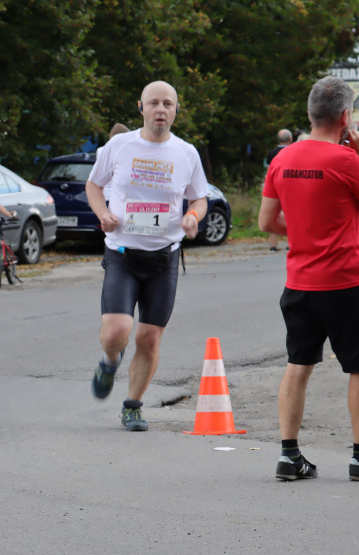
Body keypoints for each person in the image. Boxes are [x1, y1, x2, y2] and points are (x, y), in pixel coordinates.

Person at [259, 75, 359, 482]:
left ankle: (289, 456)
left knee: (298, 364)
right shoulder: (344, 161)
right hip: (345, 283)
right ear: (346, 117)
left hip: (299, 283)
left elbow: (266, 221)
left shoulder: (282, 159)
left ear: (310, 114)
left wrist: (305, 232)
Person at [85, 80, 208, 431]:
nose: (160, 110)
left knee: (149, 337)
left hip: (164, 257)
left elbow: (199, 197)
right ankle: (110, 361)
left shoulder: (186, 153)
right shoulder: (120, 146)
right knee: (117, 332)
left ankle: (132, 406)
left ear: (176, 110)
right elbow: (94, 185)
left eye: (167, 104)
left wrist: (192, 216)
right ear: (141, 107)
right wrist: (102, 214)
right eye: (153, 103)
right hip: (122, 252)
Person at [264, 128, 293, 251]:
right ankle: (289, 243)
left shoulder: (271, 153)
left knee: (273, 213)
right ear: (290, 139)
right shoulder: (292, 151)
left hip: (274, 186)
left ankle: (273, 244)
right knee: (290, 214)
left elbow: (268, 171)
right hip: (289, 186)